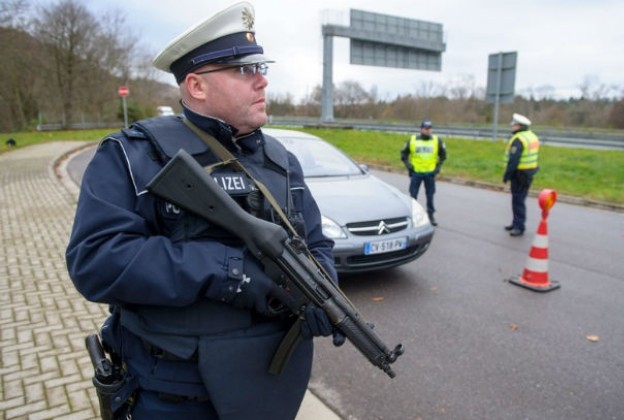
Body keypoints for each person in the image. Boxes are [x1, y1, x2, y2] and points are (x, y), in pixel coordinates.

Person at [65, 3, 343, 418]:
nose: (263, 80)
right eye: (244, 71)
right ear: (196, 86)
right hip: (175, 395)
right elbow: (96, 261)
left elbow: (315, 243)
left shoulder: (282, 161)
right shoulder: (131, 155)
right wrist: (227, 269)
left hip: (271, 388)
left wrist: (322, 293)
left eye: (261, 67)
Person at [400, 119, 447, 226]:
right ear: (421, 129)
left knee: (430, 195)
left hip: (430, 173)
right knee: (413, 195)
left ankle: (431, 215)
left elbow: (443, 155)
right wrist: (409, 167)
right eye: (426, 129)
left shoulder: (437, 140)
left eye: (430, 128)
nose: (428, 131)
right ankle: (413, 215)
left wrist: (437, 168)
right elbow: (403, 154)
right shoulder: (412, 140)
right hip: (416, 173)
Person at [502, 113, 540, 237]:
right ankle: (516, 222)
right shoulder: (532, 136)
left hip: (520, 173)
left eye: (514, 124)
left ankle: (519, 226)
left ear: (520, 126)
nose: (512, 126)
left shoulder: (519, 139)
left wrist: (507, 175)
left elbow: (514, 160)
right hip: (529, 172)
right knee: (519, 199)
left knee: (518, 200)